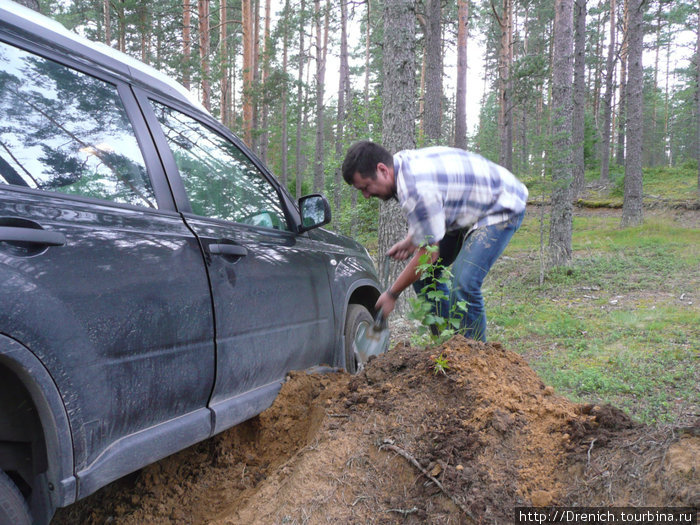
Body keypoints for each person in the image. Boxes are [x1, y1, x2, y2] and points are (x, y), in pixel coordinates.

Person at [342, 141, 528, 341]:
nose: (367, 195)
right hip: (462, 212)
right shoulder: (401, 166)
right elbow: (431, 211)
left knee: (464, 283)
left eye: (367, 187)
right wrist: (411, 240)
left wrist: (392, 294)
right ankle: (447, 346)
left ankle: (474, 361)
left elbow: (429, 253)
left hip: (500, 205)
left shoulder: (415, 188)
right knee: (424, 277)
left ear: (382, 169)